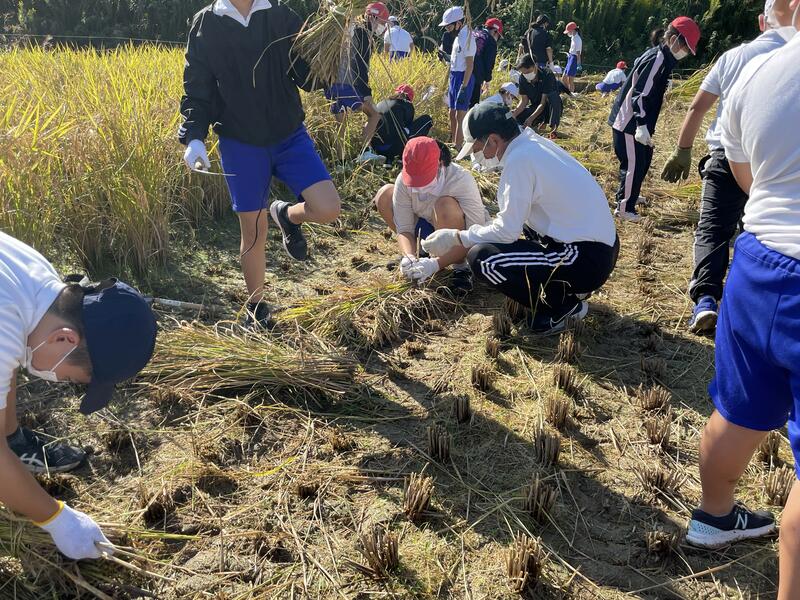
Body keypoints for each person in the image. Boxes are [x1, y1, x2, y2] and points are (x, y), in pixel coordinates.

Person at [686, 5, 800, 598]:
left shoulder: (758, 71)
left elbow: (742, 169)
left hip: (758, 265)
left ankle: (713, 514)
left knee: (737, 410)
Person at [180, 0, 341, 330]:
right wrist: (194, 136)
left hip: (289, 135)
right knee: (253, 229)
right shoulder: (206, 24)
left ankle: (287, 215)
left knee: (328, 208)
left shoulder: (280, 15)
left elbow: (307, 77)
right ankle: (256, 308)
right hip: (240, 142)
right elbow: (197, 87)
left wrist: (332, 43)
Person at [0, 231, 158, 560]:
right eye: (70, 377)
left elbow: (9, 360)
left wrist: (9, 438)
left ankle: (15, 441)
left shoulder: (41, 288)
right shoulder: (4, 322)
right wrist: (57, 519)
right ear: (65, 339)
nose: (59, 380)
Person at [421, 104, 619, 333]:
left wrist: (457, 237)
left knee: (484, 259)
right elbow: (514, 221)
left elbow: (507, 231)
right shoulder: (532, 144)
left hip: (585, 258)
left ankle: (561, 306)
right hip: (598, 248)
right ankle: (569, 288)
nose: (477, 156)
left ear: (493, 140)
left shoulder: (520, 161)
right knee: (522, 227)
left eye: (476, 148)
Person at [660, 0, 790, 335]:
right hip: (774, 163)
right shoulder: (792, 60)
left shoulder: (733, 57)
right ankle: (752, 309)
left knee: (713, 230)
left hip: (725, 156)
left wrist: (683, 150)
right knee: (761, 236)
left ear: (761, 22)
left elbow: (697, 107)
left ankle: (706, 300)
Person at [607, 17, 701, 222]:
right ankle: (624, 208)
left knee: (644, 159)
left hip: (639, 122)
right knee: (633, 165)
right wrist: (641, 125)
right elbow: (639, 94)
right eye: (685, 46)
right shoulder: (657, 58)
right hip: (630, 122)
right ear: (673, 40)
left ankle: (629, 195)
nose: (685, 52)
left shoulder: (663, 60)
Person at [373, 137, 489, 295]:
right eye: (413, 179)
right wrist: (408, 256)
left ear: (440, 164)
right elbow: (404, 228)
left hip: (457, 237)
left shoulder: (460, 179)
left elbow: (475, 234)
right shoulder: (403, 180)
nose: (418, 186)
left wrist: (435, 265)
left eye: (424, 178)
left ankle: (461, 268)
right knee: (384, 195)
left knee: (444, 205)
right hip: (425, 227)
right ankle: (419, 254)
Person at [325, 2, 390, 164]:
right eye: (382, 22)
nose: (383, 27)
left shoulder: (350, 28)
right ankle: (364, 152)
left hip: (331, 83)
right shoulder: (363, 34)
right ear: (374, 17)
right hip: (349, 84)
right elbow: (360, 66)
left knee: (341, 125)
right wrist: (366, 92)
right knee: (374, 114)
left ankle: (340, 163)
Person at [440, 6, 476, 146]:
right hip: (454, 76)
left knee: (459, 114)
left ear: (458, 23)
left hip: (463, 77)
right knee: (452, 112)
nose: (447, 30)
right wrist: (447, 58)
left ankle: (459, 146)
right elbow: (457, 59)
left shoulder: (467, 37)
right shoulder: (458, 37)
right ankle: (455, 142)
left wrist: (464, 87)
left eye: (449, 26)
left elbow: (470, 65)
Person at [370, 84, 433, 163]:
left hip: (376, 148)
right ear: (410, 97)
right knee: (427, 119)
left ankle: (389, 159)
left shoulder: (381, 103)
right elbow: (407, 128)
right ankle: (403, 156)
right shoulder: (407, 104)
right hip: (394, 148)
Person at [512, 54, 563, 138]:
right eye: (523, 73)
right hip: (535, 106)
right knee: (518, 116)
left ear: (535, 65)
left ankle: (553, 130)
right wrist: (514, 114)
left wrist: (531, 118)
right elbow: (524, 101)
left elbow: (543, 103)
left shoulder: (547, 74)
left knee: (554, 98)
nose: (526, 75)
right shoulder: (522, 78)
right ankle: (536, 124)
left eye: (528, 72)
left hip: (549, 106)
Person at [469, 18, 502, 108]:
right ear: (495, 31)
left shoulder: (472, 33)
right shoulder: (490, 41)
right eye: (498, 36)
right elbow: (489, 63)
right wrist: (487, 79)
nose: (497, 39)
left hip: (460, 72)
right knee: (472, 106)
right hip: (475, 76)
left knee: (458, 105)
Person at [562, 22, 583, 93]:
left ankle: (571, 95)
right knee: (564, 78)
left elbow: (578, 53)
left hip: (574, 59)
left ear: (573, 30)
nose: (568, 33)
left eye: (569, 31)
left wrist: (578, 63)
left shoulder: (578, 39)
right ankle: (568, 92)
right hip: (570, 57)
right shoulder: (573, 37)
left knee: (570, 80)